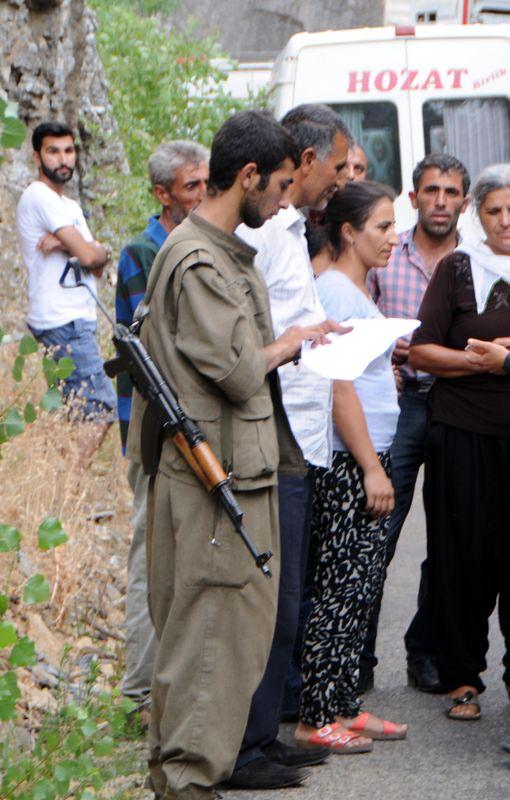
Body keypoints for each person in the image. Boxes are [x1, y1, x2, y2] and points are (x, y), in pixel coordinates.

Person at [125, 110, 343, 800]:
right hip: (212, 481)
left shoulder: (219, 251)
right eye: (279, 186)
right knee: (209, 640)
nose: (284, 202)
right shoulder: (197, 258)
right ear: (246, 177)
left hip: (239, 472)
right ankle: (187, 782)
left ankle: (191, 775)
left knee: (230, 634)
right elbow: (239, 369)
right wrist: (296, 339)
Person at [232, 104, 351, 787]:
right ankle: (248, 744)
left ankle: (266, 729)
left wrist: (322, 330)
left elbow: (289, 316)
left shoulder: (291, 229)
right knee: (271, 598)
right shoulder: (271, 231)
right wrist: (302, 341)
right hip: (274, 435)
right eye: (335, 167)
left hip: (299, 433)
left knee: (288, 598)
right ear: (303, 163)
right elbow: (258, 336)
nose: (339, 181)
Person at [294, 182, 407, 752]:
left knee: (360, 585)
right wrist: (370, 466)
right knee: (340, 585)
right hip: (348, 461)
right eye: (382, 227)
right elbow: (337, 388)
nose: (393, 237)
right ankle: (317, 716)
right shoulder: (335, 291)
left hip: (368, 453)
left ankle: (341, 704)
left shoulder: (352, 288)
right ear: (347, 231)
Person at [361, 153, 470, 693]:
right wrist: (389, 347)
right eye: (432, 191)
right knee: (378, 526)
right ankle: (355, 656)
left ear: (464, 203)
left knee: (449, 537)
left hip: (457, 404)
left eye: (451, 193)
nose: (441, 202)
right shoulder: (385, 251)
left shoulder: (475, 262)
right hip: (399, 404)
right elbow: (358, 317)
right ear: (414, 197)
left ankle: (424, 652)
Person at [408, 163, 510, 720]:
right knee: (462, 557)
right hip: (463, 434)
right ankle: (462, 678)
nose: (504, 221)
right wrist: (486, 361)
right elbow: (422, 351)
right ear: (478, 214)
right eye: (493, 211)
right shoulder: (457, 269)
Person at [116, 141, 208, 717]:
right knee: (150, 553)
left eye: (206, 183)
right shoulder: (143, 251)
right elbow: (145, 356)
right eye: (191, 185)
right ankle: (139, 691)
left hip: (193, 425)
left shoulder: (201, 243)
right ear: (163, 193)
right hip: (155, 429)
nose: (202, 193)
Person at [16, 121, 116, 455]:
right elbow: (89, 253)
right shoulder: (39, 196)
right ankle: (70, 489)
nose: (63, 159)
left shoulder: (69, 207)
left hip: (77, 319)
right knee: (101, 408)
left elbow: (97, 264)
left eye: (69, 151)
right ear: (37, 156)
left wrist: (64, 244)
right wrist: (86, 248)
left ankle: (60, 497)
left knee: (75, 412)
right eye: (54, 151)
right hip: (62, 321)